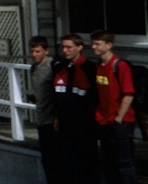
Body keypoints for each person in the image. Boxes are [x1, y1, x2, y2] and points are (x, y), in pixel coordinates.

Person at [91, 30, 139, 184]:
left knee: (124, 161)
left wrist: (119, 117)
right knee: (108, 161)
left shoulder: (120, 65)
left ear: (109, 45)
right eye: (93, 43)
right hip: (104, 120)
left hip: (120, 121)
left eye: (98, 44)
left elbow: (128, 93)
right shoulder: (99, 66)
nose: (93, 47)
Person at [52, 33, 100, 183]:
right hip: (65, 123)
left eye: (69, 47)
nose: (65, 50)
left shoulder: (90, 68)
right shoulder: (59, 67)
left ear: (79, 47)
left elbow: (95, 97)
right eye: (63, 47)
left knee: (86, 161)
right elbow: (57, 96)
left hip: (85, 124)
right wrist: (57, 117)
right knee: (67, 162)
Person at [28, 36, 63, 184]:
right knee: (47, 158)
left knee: (58, 158)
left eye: (38, 51)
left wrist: (58, 116)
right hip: (41, 118)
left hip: (53, 119)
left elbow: (60, 93)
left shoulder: (53, 66)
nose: (34, 55)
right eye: (32, 51)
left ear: (46, 51)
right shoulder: (34, 68)